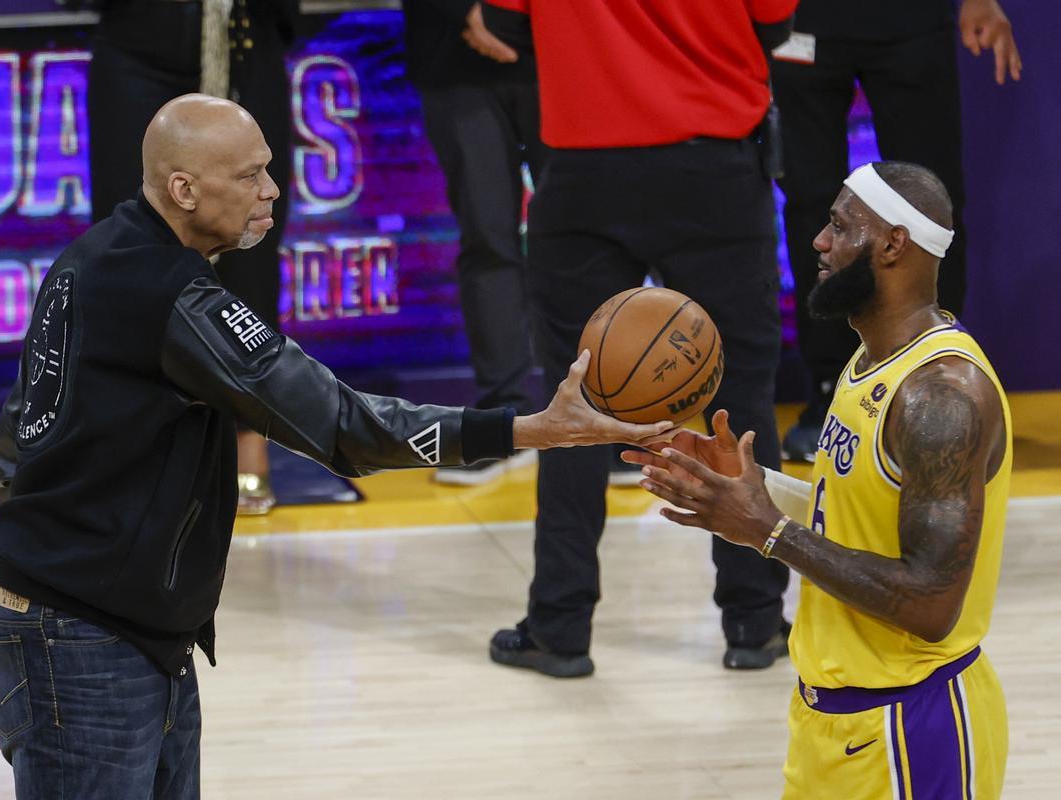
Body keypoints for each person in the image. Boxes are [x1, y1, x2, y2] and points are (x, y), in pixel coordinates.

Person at [0, 95, 673, 798]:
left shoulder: (91, 256)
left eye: (269, 168)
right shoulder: (177, 298)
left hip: (105, 638)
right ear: (183, 189)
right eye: (249, 176)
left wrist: (33, 626)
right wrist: (527, 429)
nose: (272, 190)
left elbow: (15, 448)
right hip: (92, 644)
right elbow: (344, 425)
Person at [627, 162, 1012, 797]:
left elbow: (932, 603)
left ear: (893, 244)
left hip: (911, 727)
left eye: (839, 225)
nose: (819, 241)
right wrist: (750, 490)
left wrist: (768, 531)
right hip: (830, 720)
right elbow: (859, 514)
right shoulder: (870, 358)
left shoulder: (941, 396)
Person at [473, 0, 797, 677]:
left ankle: (560, 627)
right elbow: (777, 25)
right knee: (739, 396)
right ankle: (755, 621)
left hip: (582, 170)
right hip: (715, 168)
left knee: (573, 408)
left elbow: (499, 26)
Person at [773, 0, 1021, 462]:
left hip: (910, 17)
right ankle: (829, 392)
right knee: (813, 210)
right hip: (799, 18)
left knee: (931, 209)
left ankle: (940, 380)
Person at [88, 0, 299, 513]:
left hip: (245, 43)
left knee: (252, 235)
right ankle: (131, 442)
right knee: (134, 247)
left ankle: (249, 439)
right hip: (139, 45)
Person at [401, 0, 545, 486]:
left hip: (568, 47)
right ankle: (506, 423)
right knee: (488, 240)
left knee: (586, 240)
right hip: (453, 53)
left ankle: (607, 415)